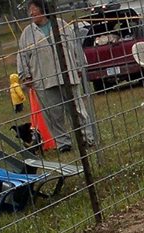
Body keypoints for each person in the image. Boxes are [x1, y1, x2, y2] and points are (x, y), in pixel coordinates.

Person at [16, 0, 94, 152]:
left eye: (35, 10)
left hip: (68, 74)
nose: (32, 13)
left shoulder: (62, 25)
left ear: (43, 10)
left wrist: (79, 65)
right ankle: (63, 143)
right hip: (43, 80)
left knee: (78, 110)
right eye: (30, 11)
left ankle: (87, 138)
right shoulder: (27, 34)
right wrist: (25, 76)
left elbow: (74, 46)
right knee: (52, 114)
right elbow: (22, 56)